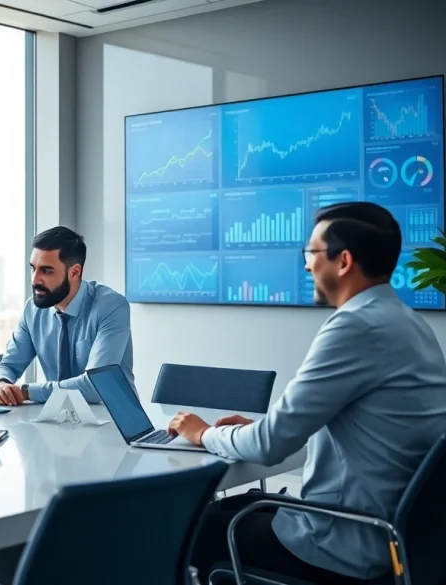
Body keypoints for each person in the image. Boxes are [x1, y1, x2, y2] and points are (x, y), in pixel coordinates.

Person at [168, 202, 446, 583]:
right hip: (392, 536)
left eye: (311, 253)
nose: (306, 265)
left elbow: (269, 446)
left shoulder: (354, 327)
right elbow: (360, 430)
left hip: (344, 543)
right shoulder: (409, 323)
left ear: (343, 261)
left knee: (189, 525)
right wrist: (264, 429)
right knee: (238, 507)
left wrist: (202, 434)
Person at [0, 226, 134, 406]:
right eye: (33, 268)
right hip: (58, 418)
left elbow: (97, 387)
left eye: (47, 271)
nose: (35, 280)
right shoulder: (32, 310)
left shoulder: (111, 306)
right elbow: (8, 365)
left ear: (74, 272)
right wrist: (0, 384)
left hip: (113, 420)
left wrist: (26, 392)